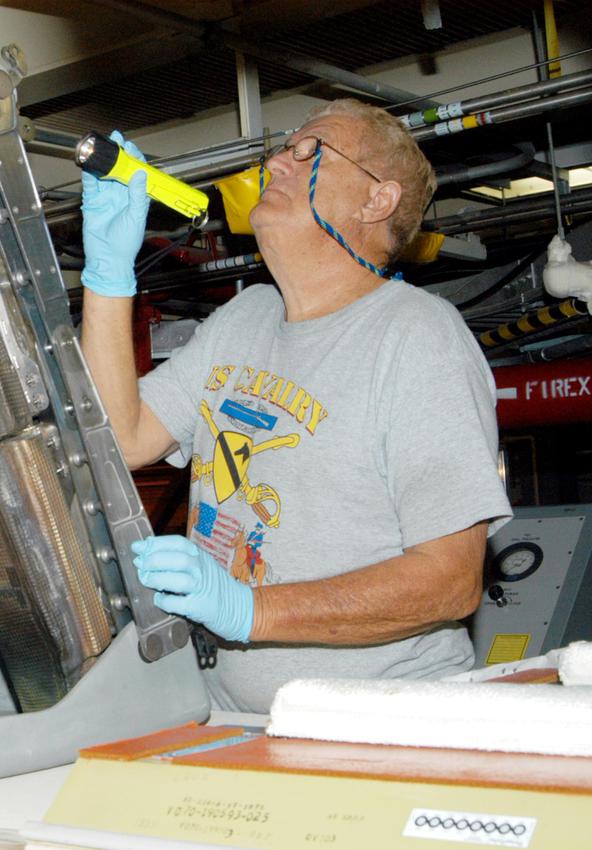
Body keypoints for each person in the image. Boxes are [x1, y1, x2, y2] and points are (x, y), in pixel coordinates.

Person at [79, 99, 512, 713]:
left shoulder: (417, 336)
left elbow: (450, 581)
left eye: (312, 150)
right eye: (283, 147)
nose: (280, 160)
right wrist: (106, 277)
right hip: (234, 717)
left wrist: (247, 610)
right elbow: (120, 439)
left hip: (382, 726)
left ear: (376, 201)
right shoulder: (242, 318)